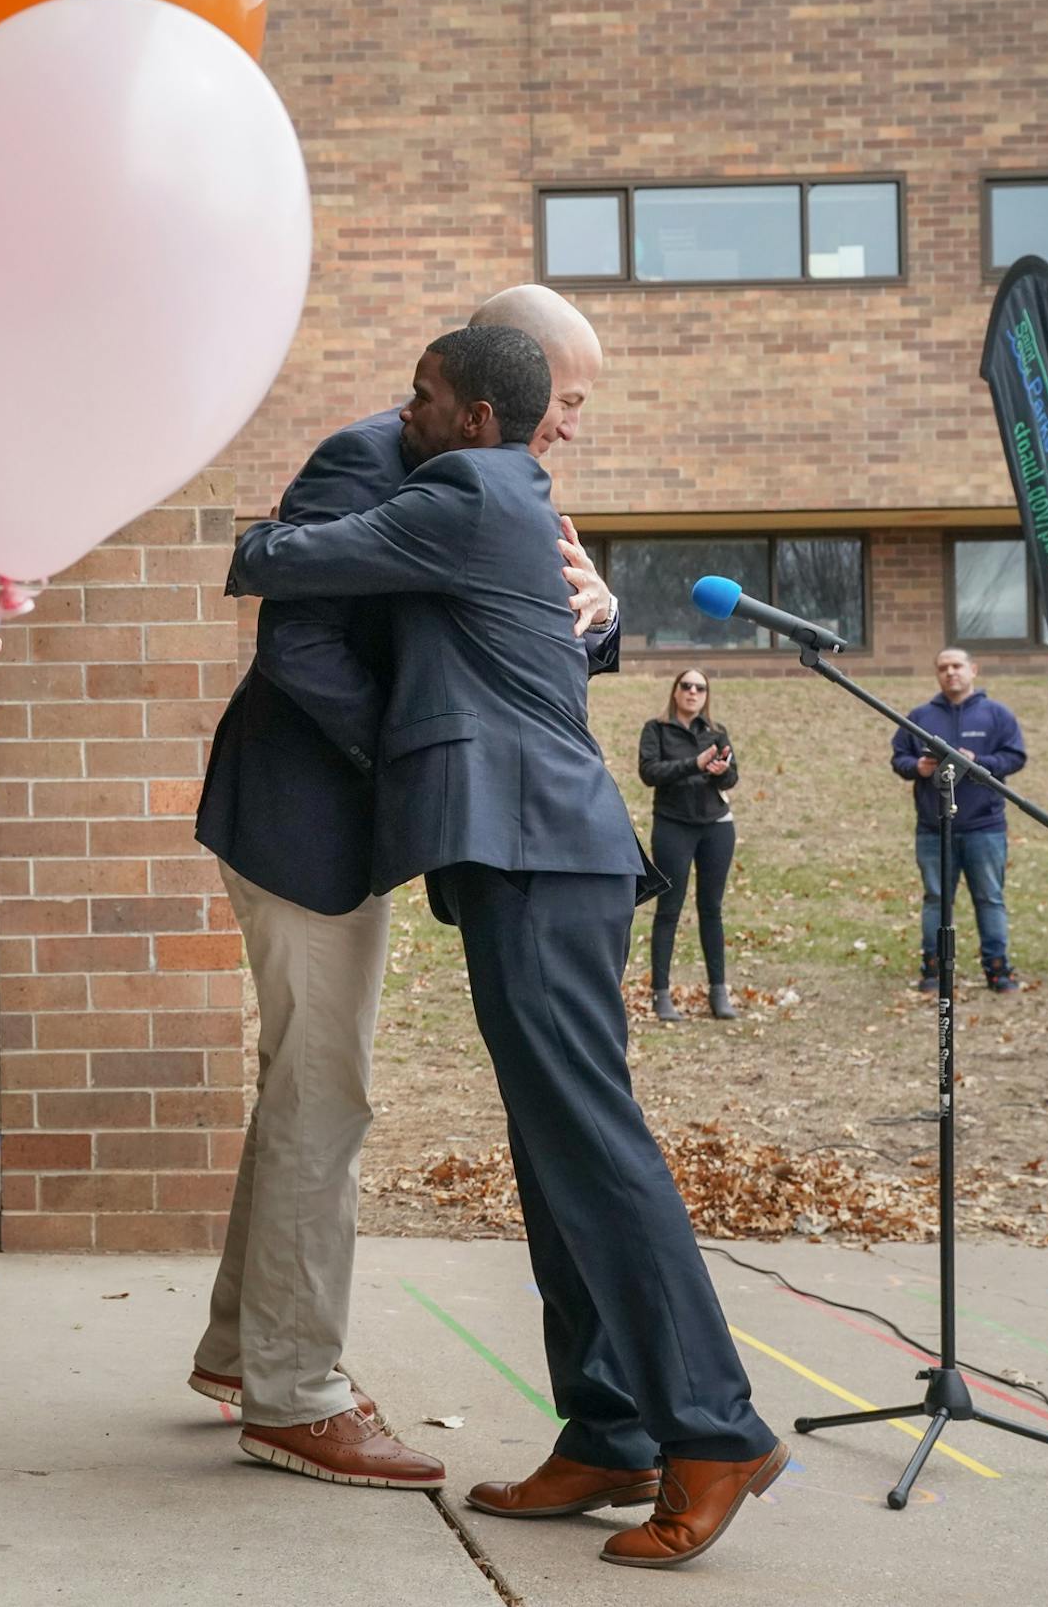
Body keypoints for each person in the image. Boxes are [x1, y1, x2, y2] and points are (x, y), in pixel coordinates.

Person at [232, 323, 783, 1571]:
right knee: (556, 1151)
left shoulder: (469, 485)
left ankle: (717, 1430)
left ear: (476, 413)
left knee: (596, 1148)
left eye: (424, 394)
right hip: (530, 853)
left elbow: (272, 563)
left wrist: (265, 532)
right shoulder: (508, 494)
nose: (402, 407)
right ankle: (609, 1426)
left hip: (538, 848)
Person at [189, 285, 618, 1494]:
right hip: (302, 821)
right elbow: (302, 643)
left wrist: (600, 612)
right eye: (568, 398)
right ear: (502, 385)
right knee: (329, 1094)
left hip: (349, 817)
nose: (572, 425)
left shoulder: (496, 472)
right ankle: (295, 1393)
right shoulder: (369, 457)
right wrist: (426, 767)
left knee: (304, 1085)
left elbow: (501, 632)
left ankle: (241, 1349)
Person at [889, 647, 1027, 993]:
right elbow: (899, 757)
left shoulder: (997, 715)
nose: (951, 673)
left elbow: (1015, 756)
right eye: (943, 668)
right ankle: (933, 969)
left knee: (990, 898)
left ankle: (998, 970)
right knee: (936, 898)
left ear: (973, 670)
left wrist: (979, 761)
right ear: (937, 674)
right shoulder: (919, 716)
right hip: (933, 827)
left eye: (957, 666)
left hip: (985, 826)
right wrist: (917, 768)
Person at [639, 668, 741, 1020]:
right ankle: (661, 995)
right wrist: (692, 765)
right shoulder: (656, 729)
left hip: (716, 825)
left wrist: (719, 772)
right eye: (687, 686)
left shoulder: (715, 732)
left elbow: (733, 775)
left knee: (711, 909)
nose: (693, 692)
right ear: (675, 691)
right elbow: (650, 772)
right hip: (672, 825)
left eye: (700, 688)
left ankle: (718, 993)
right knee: (669, 909)